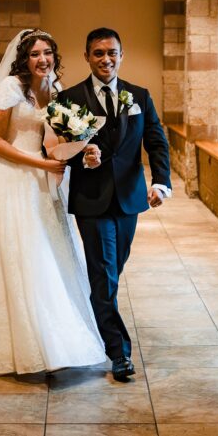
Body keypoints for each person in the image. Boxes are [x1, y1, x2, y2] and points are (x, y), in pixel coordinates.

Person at [0, 29, 106, 374]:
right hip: (11, 177)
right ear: (23, 59)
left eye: (47, 53)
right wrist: (42, 163)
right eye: (34, 54)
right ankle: (20, 339)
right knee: (21, 253)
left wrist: (77, 147)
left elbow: (57, 137)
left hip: (44, 180)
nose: (42, 59)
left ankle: (53, 337)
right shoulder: (11, 88)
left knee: (47, 251)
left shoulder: (56, 89)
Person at [57, 27, 172, 381]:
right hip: (91, 200)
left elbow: (156, 141)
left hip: (129, 198)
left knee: (111, 271)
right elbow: (60, 151)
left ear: (121, 55)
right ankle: (118, 352)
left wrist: (162, 183)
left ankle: (92, 323)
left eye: (112, 53)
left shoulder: (139, 95)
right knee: (104, 273)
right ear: (87, 56)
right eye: (98, 53)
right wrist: (81, 160)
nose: (106, 59)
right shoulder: (69, 100)